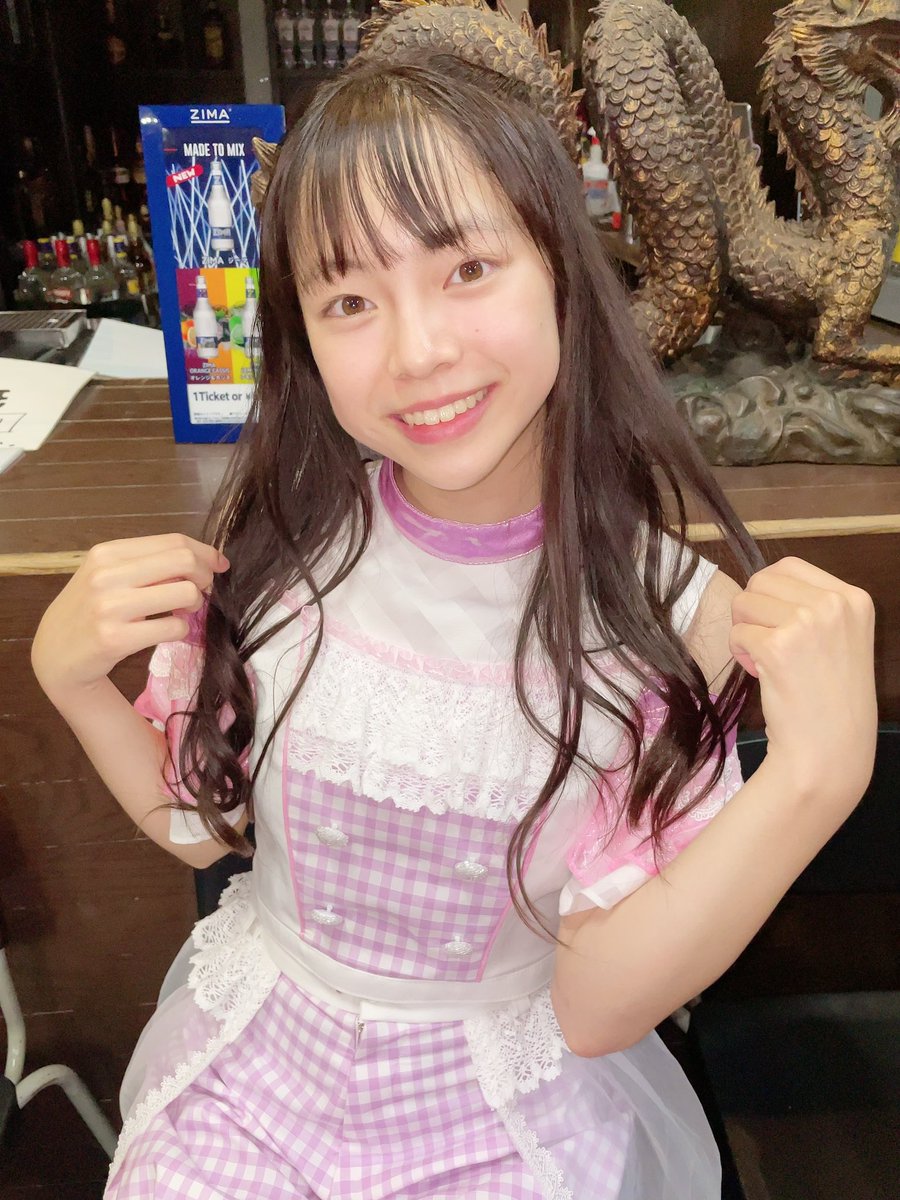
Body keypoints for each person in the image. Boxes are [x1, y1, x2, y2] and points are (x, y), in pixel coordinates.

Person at [31, 52, 876, 1200]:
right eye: (349, 301)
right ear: (301, 338)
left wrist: (815, 779)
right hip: (250, 1078)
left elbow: (594, 1011)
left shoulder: (670, 619)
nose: (418, 350)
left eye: (467, 268)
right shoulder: (283, 546)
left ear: (563, 273)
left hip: (502, 1118)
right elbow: (204, 833)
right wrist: (73, 682)